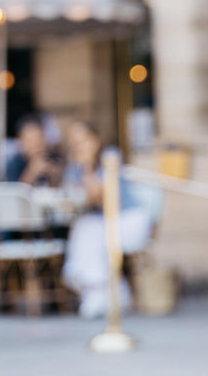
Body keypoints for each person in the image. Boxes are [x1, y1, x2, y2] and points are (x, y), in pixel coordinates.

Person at [60, 121, 153, 318]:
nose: (79, 146)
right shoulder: (75, 165)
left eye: (83, 140)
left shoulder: (110, 157)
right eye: (74, 142)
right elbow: (69, 194)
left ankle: (102, 290)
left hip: (127, 219)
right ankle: (105, 289)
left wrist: (86, 167)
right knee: (84, 228)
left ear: (95, 140)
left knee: (88, 231)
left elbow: (98, 196)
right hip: (102, 221)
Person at [4, 115, 62, 187]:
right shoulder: (15, 164)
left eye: (40, 139)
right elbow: (15, 193)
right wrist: (32, 173)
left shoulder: (53, 160)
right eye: (32, 141)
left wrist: (55, 177)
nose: (38, 145)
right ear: (21, 141)